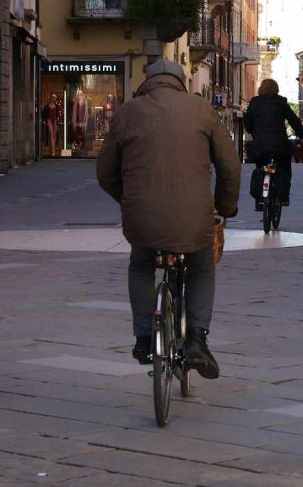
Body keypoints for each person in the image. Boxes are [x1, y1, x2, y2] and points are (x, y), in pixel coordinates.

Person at [97, 60, 240, 380]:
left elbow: (104, 172)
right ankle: (197, 340)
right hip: (195, 219)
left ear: (147, 82)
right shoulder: (201, 110)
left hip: (142, 219)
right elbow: (229, 165)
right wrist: (226, 206)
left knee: (141, 264)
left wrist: (128, 199)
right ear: (180, 82)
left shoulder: (127, 112)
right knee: (202, 266)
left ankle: (144, 338)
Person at [243, 79, 303, 208]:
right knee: (285, 168)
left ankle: (259, 201)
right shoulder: (281, 102)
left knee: (260, 167)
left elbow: (247, 124)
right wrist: (302, 134)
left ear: (261, 89)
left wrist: (254, 131)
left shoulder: (254, 103)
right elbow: (294, 120)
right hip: (280, 145)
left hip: (260, 145)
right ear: (276, 89)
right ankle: (284, 196)